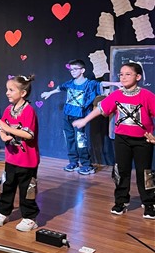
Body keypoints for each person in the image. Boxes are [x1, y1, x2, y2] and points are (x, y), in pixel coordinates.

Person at [73, 62, 155, 219]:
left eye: (128, 74)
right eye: (121, 74)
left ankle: (149, 202)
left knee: (144, 172)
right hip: (122, 139)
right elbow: (101, 108)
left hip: (143, 141)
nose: (123, 77)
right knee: (121, 170)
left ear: (138, 77)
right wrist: (84, 120)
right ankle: (121, 201)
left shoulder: (147, 95)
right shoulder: (117, 95)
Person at [40, 59, 116, 175]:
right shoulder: (70, 83)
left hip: (80, 117)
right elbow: (60, 88)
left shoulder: (89, 84)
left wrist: (116, 84)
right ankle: (73, 162)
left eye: (75, 69)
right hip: (67, 115)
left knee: (81, 140)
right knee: (69, 139)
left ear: (82, 70)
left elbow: (101, 84)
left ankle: (86, 164)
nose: (73, 72)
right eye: (71, 70)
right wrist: (49, 93)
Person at [0, 75, 40, 232]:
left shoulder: (29, 111)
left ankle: (30, 218)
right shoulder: (8, 109)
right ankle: (3, 212)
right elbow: (1, 126)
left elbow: (29, 134)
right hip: (11, 158)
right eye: (7, 89)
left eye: (11, 90)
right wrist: (3, 135)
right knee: (7, 185)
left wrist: (8, 129)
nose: (7, 93)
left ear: (23, 93)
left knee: (27, 189)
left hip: (27, 161)